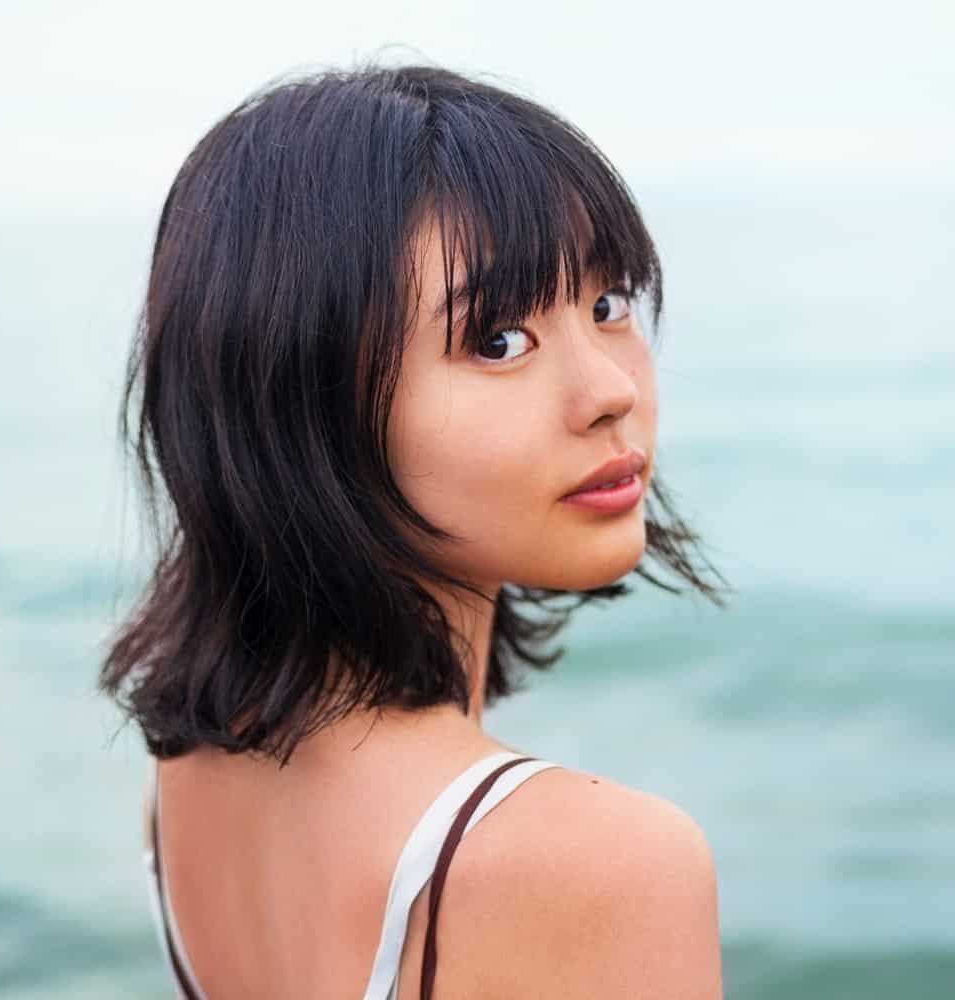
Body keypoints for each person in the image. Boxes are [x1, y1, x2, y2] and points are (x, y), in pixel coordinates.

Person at [100, 60, 732, 999]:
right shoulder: (608, 864)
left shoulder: (189, 765)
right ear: (303, 399)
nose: (611, 390)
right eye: (497, 341)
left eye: (607, 306)